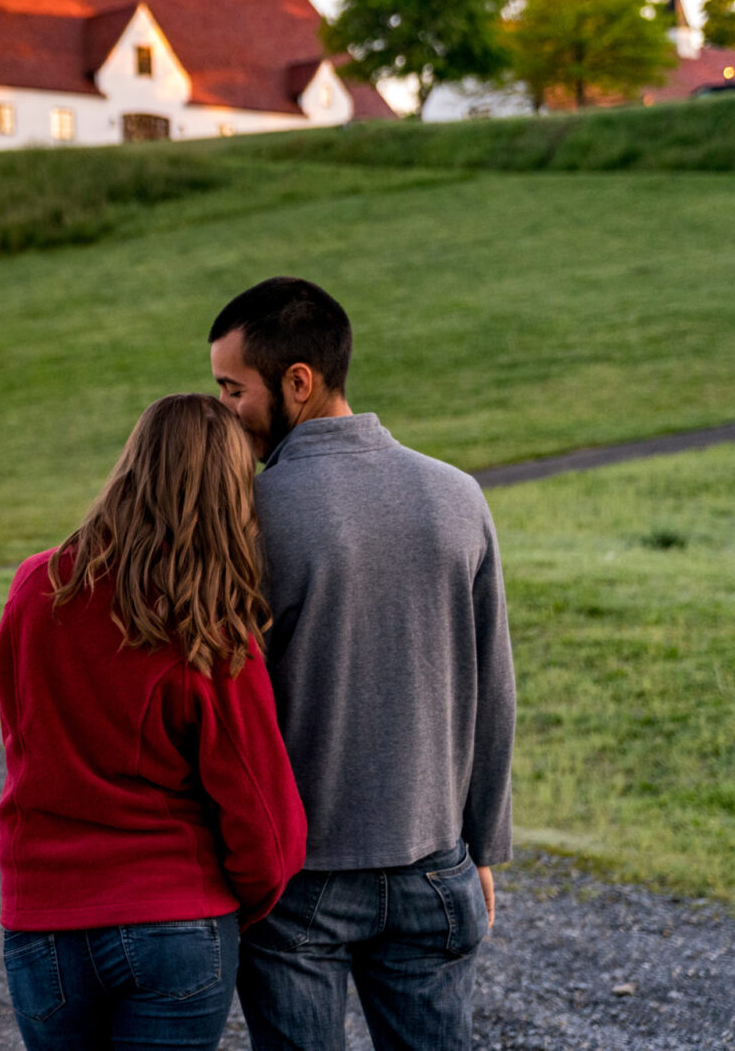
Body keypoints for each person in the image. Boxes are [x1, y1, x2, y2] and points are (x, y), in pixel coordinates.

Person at [208, 276, 516, 1051]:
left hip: (299, 883)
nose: (224, 413)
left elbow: (226, 709)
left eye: (232, 390)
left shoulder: (250, 516)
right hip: (436, 867)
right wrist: (484, 847)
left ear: (298, 382)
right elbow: (495, 689)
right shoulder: (458, 494)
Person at [0, 393, 307, 1051]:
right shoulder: (211, 630)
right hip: (177, 917)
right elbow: (263, 817)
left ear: (132, 465)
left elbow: (23, 733)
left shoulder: (34, 589)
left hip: (45, 918)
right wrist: (231, 906)